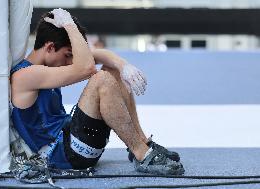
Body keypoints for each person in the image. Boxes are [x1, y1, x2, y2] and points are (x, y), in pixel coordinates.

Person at [10, 8, 184, 175]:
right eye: (67, 55)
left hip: (75, 144)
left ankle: (142, 144)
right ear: (49, 47)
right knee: (101, 79)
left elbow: (100, 55)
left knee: (114, 71)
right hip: (63, 156)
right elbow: (87, 68)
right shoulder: (25, 75)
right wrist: (69, 25)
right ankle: (142, 154)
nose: (70, 62)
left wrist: (124, 66)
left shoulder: (45, 66)